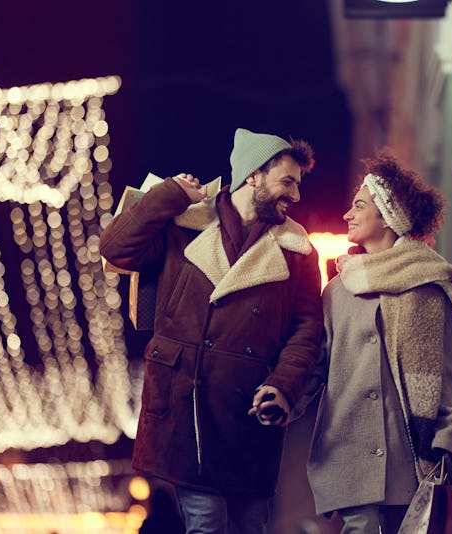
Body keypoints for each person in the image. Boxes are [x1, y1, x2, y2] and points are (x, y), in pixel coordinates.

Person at [99, 128, 323, 533]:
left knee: (249, 528)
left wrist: (285, 385)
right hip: (187, 407)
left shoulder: (299, 252)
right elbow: (115, 249)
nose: (295, 195)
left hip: (250, 413)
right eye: (287, 181)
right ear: (253, 175)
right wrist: (168, 195)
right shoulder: (184, 225)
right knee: (206, 525)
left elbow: (307, 330)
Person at [303, 151, 452, 533]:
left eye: (359, 205)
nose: (347, 214)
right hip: (347, 452)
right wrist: (280, 394)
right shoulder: (336, 292)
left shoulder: (428, 285)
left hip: (411, 458)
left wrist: (451, 440)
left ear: (387, 216)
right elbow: (314, 367)